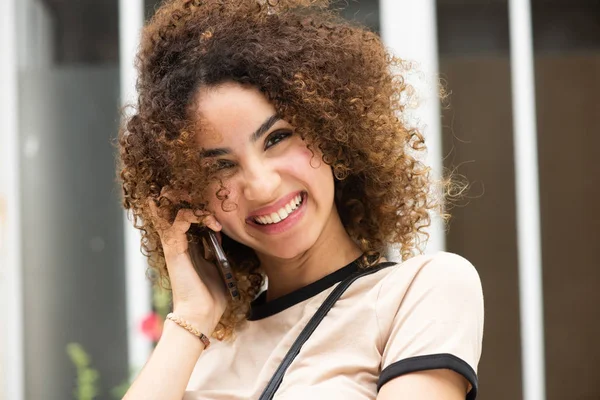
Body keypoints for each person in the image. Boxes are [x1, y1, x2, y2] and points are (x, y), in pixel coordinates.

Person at [117, 0, 484, 399]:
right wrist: (190, 316)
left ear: (331, 131)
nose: (262, 186)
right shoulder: (199, 351)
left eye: (276, 138)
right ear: (192, 196)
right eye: (220, 167)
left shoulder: (418, 292)